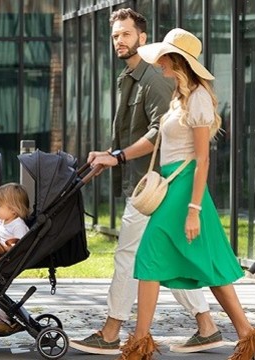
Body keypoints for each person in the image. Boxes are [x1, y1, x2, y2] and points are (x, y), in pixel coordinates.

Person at [71, 9, 222, 356]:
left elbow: (158, 134)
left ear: (142, 37)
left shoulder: (154, 78)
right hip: (146, 185)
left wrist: (119, 156)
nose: (119, 41)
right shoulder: (131, 76)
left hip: (156, 186)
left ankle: (111, 332)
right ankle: (206, 325)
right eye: (114, 36)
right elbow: (140, 131)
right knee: (165, 256)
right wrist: (108, 154)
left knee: (129, 255)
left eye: (126, 34)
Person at [115, 27, 255, 360]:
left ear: (177, 60)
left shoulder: (198, 97)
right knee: (208, 266)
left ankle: (140, 343)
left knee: (150, 257)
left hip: (185, 187)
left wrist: (193, 209)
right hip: (173, 184)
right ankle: (247, 335)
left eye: (164, 57)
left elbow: (203, 160)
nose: (158, 63)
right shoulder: (179, 96)